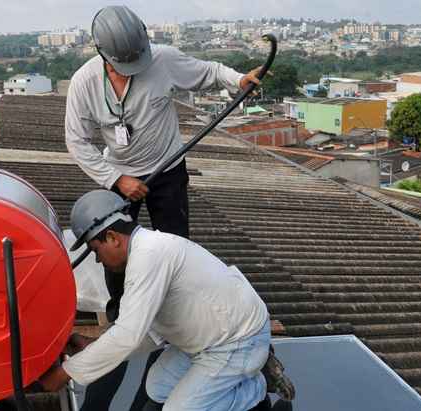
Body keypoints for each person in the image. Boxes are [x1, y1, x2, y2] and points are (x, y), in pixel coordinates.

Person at [65, 5, 264, 409]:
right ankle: (127, 318)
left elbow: (208, 72)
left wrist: (238, 79)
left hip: (167, 172)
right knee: (114, 258)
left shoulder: (162, 60)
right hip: (120, 179)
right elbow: (77, 141)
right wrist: (116, 180)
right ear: (103, 53)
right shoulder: (84, 83)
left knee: (172, 247)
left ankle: (168, 318)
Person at [39, 191, 294, 410]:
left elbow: (127, 336)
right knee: (157, 386)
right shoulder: (145, 254)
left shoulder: (149, 255)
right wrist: (94, 345)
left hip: (237, 339)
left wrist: (64, 374)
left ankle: (254, 388)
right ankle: (243, 375)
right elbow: (143, 332)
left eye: (96, 250)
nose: (97, 260)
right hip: (209, 333)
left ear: (113, 238)